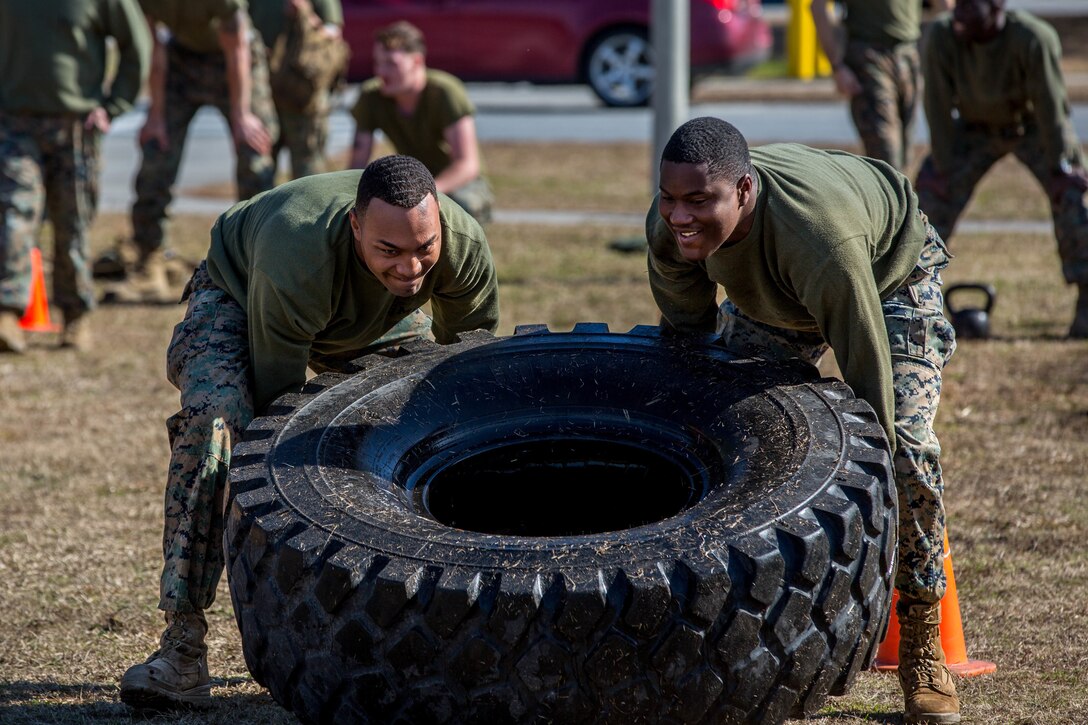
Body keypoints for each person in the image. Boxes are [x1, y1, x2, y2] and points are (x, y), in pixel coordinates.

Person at [118, 154, 499, 710]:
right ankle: (182, 648)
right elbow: (278, 414)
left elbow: (471, 380)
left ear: (439, 223)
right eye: (389, 250)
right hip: (244, 293)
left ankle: (418, 628)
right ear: (354, 226)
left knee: (420, 434)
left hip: (374, 318)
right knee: (219, 427)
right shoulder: (296, 251)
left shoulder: (462, 246)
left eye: (424, 247)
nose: (412, 268)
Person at [646, 117, 960, 724]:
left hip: (887, 275)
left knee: (906, 450)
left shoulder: (819, 240)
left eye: (697, 200)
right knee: (728, 430)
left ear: (742, 191)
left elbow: (869, 385)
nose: (679, 216)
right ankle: (734, 610)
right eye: (669, 198)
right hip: (775, 292)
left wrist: (883, 482)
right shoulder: (671, 228)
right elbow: (687, 346)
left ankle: (922, 640)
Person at [916, 0, 1088, 338]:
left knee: (1075, 197)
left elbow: (1051, 107)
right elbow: (936, 104)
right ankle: (911, 301)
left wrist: (1060, 166)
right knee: (924, 205)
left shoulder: (1032, 38)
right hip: (973, 129)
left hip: (1030, 126)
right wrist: (942, 166)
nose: (959, 11)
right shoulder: (941, 36)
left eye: (969, 4)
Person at [0, 0, 150, 352]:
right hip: (13, 123)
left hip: (76, 127)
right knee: (13, 212)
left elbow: (136, 45)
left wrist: (114, 105)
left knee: (73, 221)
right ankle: (7, 310)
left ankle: (75, 314)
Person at [114, 0, 279, 304]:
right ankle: (149, 261)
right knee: (156, 150)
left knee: (254, 154)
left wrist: (242, 115)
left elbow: (237, 48)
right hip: (182, 60)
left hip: (235, 61)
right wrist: (156, 115)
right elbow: (154, 48)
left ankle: (258, 262)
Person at [349, 20, 494, 225]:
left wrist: (426, 195)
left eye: (391, 63)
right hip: (411, 180)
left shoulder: (445, 92)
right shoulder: (372, 95)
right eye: (378, 62)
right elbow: (356, 165)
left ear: (417, 61)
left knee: (461, 206)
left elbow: (467, 165)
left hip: (457, 185)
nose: (381, 72)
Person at [810, 0, 953, 171]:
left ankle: (896, 196)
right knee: (886, 158)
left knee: (905, 158)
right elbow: (818, 7)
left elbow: (945, 8)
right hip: (869, 56)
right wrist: (837, 66)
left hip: (908, 54)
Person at [250, 0, 346, 179]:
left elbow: (333, 32)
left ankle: (308, 208)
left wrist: (305, 14)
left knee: (308, 173)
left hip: (302, 94)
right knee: (257, 169)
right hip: (263, 92)